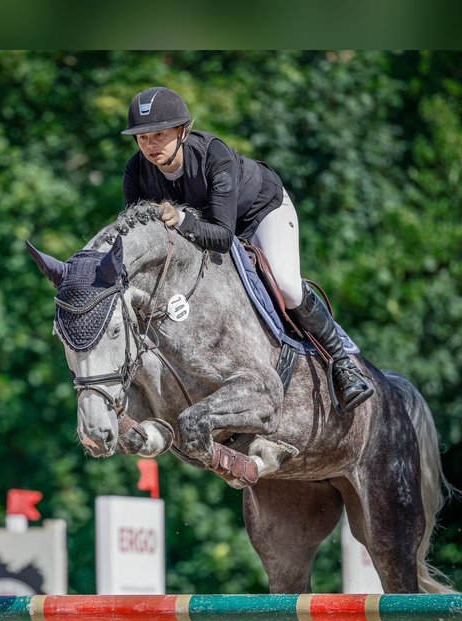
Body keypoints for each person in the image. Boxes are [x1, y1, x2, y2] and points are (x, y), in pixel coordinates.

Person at [121, 86, 372, 413]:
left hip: (261, 212)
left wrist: (181, 220)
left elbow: (224, 237)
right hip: (202, 230)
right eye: (142, 138)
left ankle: (344, 365)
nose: (150, 146)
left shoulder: (214, 155)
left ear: (183, 131)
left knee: (286, 286)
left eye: (159, 135)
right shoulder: (136, 170)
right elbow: (138, 234)